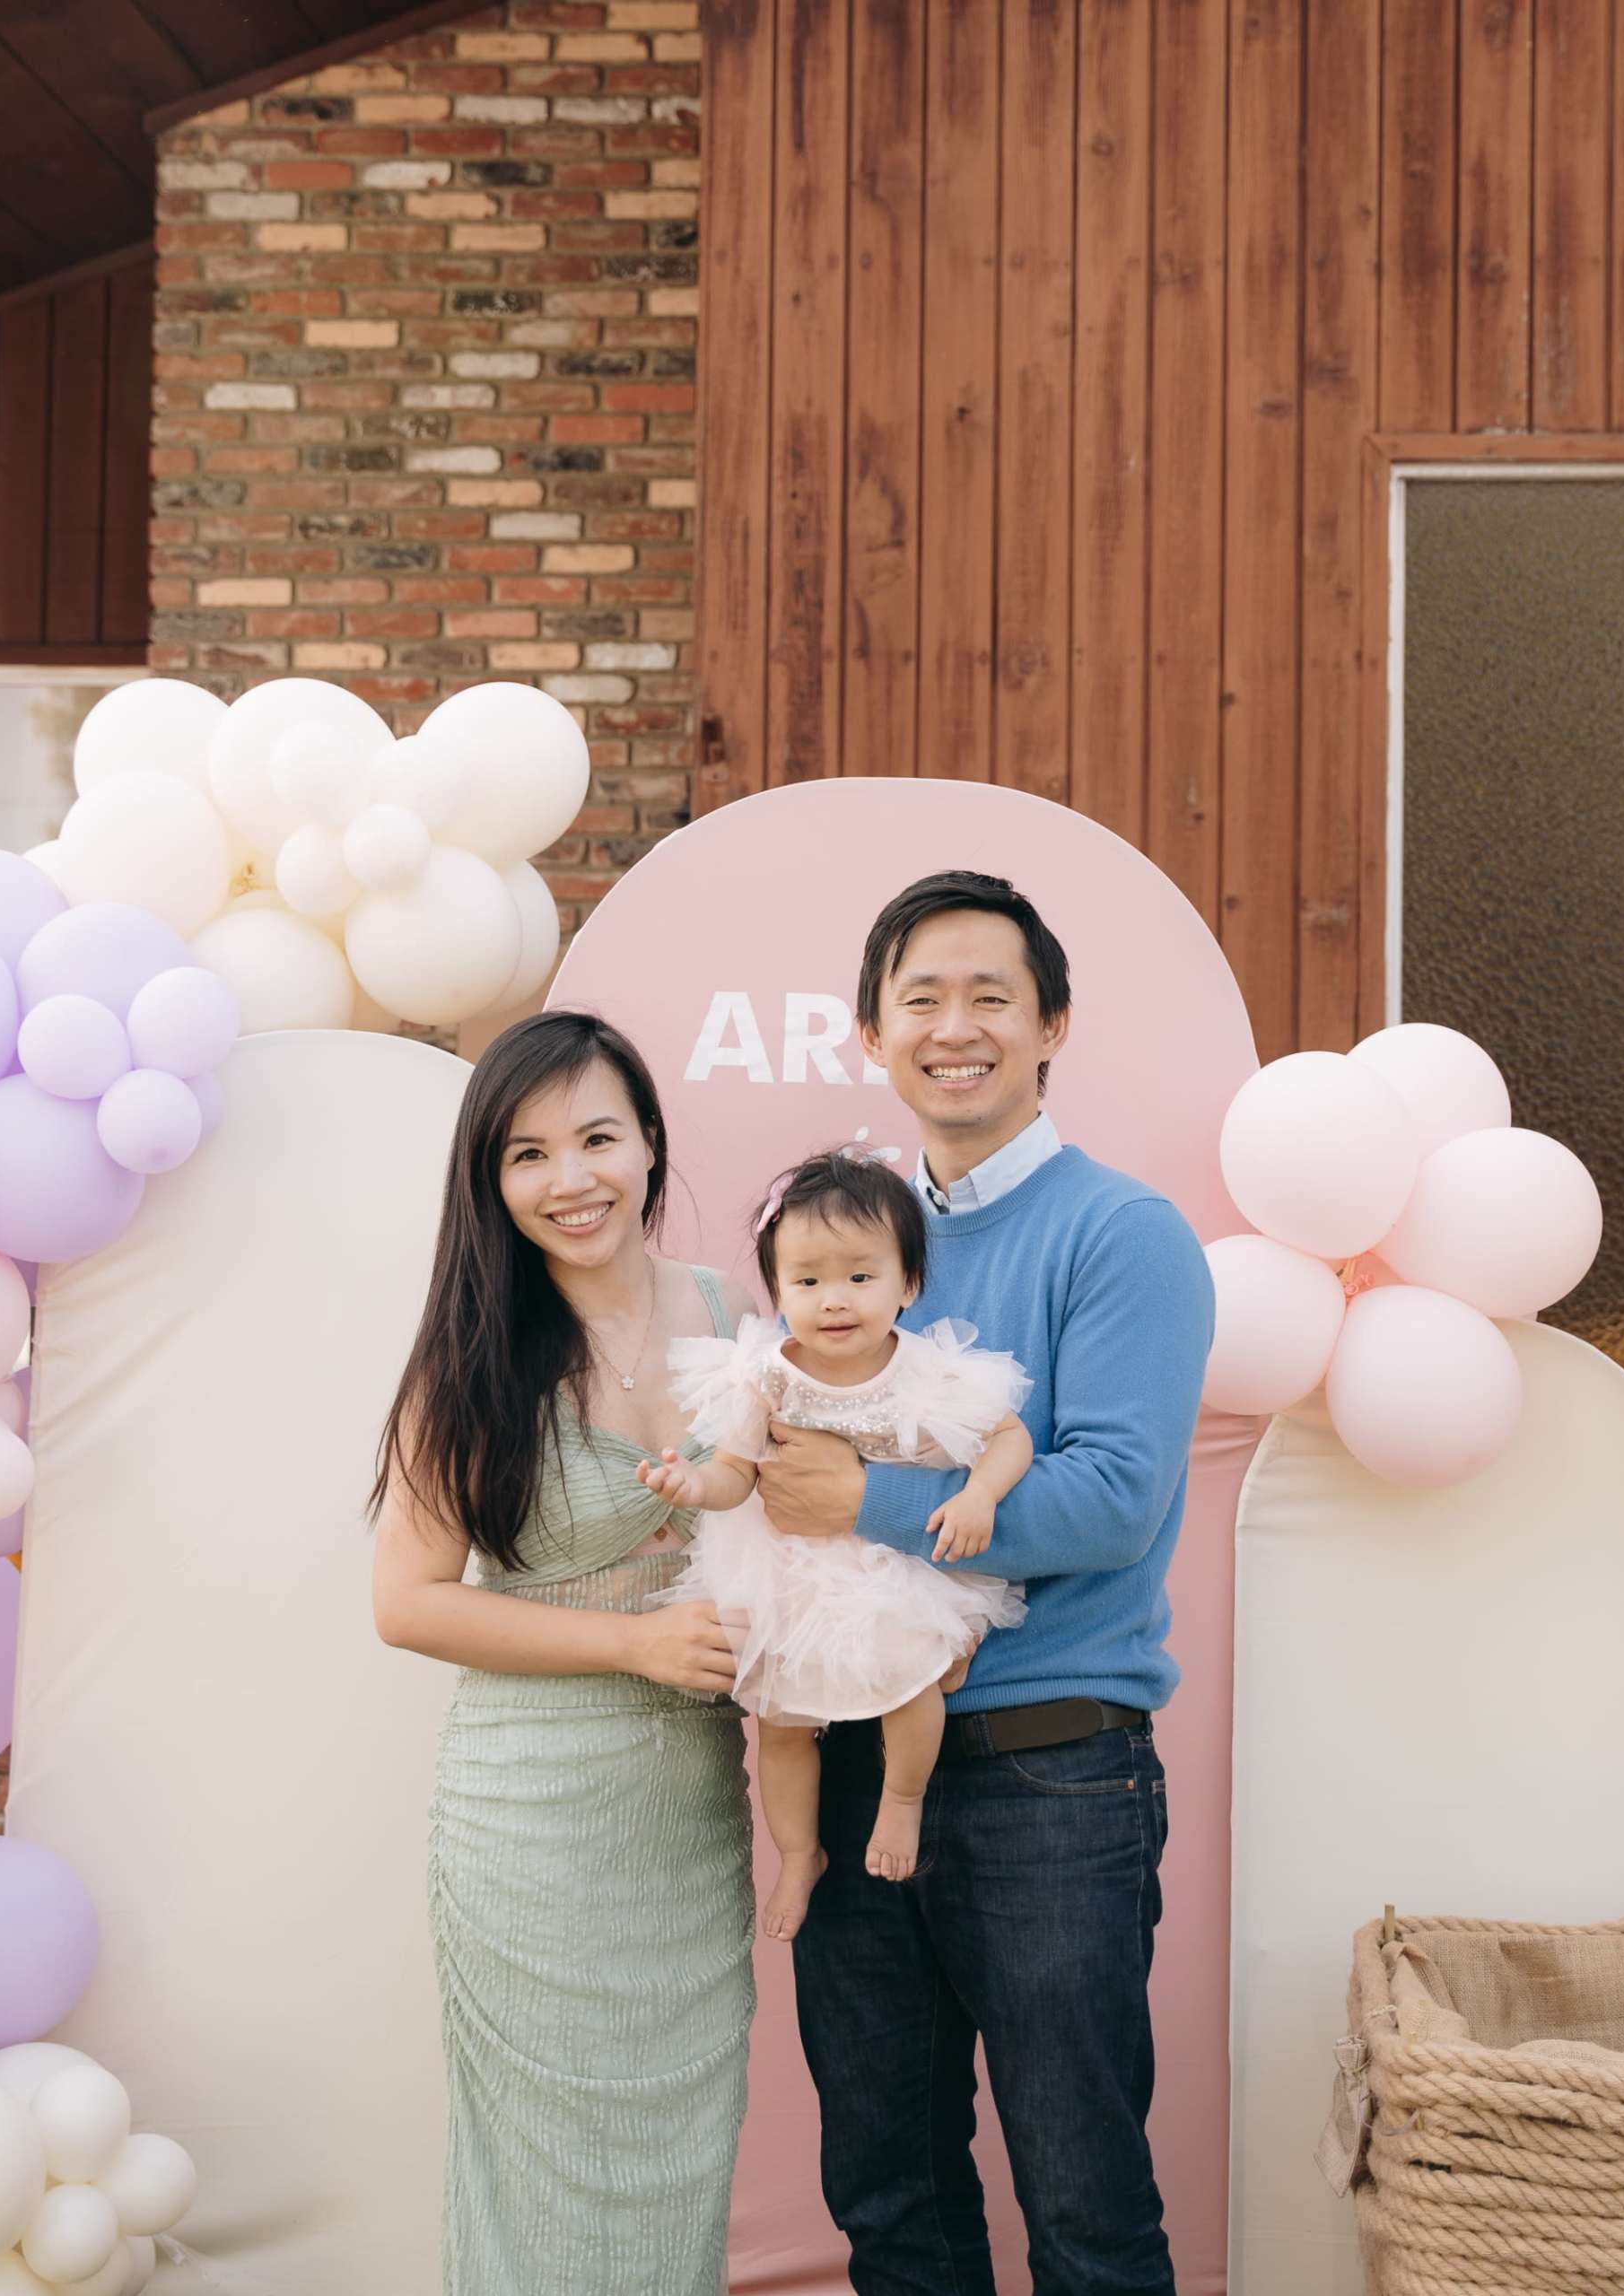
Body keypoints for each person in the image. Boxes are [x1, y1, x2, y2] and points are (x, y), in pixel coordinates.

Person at [755, 872, 1217, 2296]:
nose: (955, 1028)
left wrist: (865, 1500)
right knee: (891, 2195)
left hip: (1049, 1774)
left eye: (991, 997)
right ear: (869, 1036)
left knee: (1083, 2199)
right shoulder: (849, 1237)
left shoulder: (1122, 1233)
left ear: (1052, 1023)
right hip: (852, 1756)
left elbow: (1115, 1499)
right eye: (922, 1000)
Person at [367, 1010, 755, 2296]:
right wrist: (637, 1638)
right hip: (531, 1820)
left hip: (690, 1818)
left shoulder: (727, 1311)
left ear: (648, 1139)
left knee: (680, 2165)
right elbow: (411, 1602)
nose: (570, 1177)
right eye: (528, 1154)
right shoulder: (473, 1353)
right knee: (541, 2172)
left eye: (597, 1135)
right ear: (494, 1181)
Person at [638, 1145, 1035, 1941]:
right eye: (808, 1280)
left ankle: (903, 1799)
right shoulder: (768, 1376)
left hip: (887, 1565)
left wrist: (980, 1493)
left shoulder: (927, 1369)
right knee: (781, 1724)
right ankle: (797, 1851)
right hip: (788, 1570)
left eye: (861, 1276)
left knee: (909, 1684)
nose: (835, 1300)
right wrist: (693, 1486)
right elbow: (736, 1471)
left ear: (908, 1283)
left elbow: (1009, 1436)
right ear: (778, 1289)